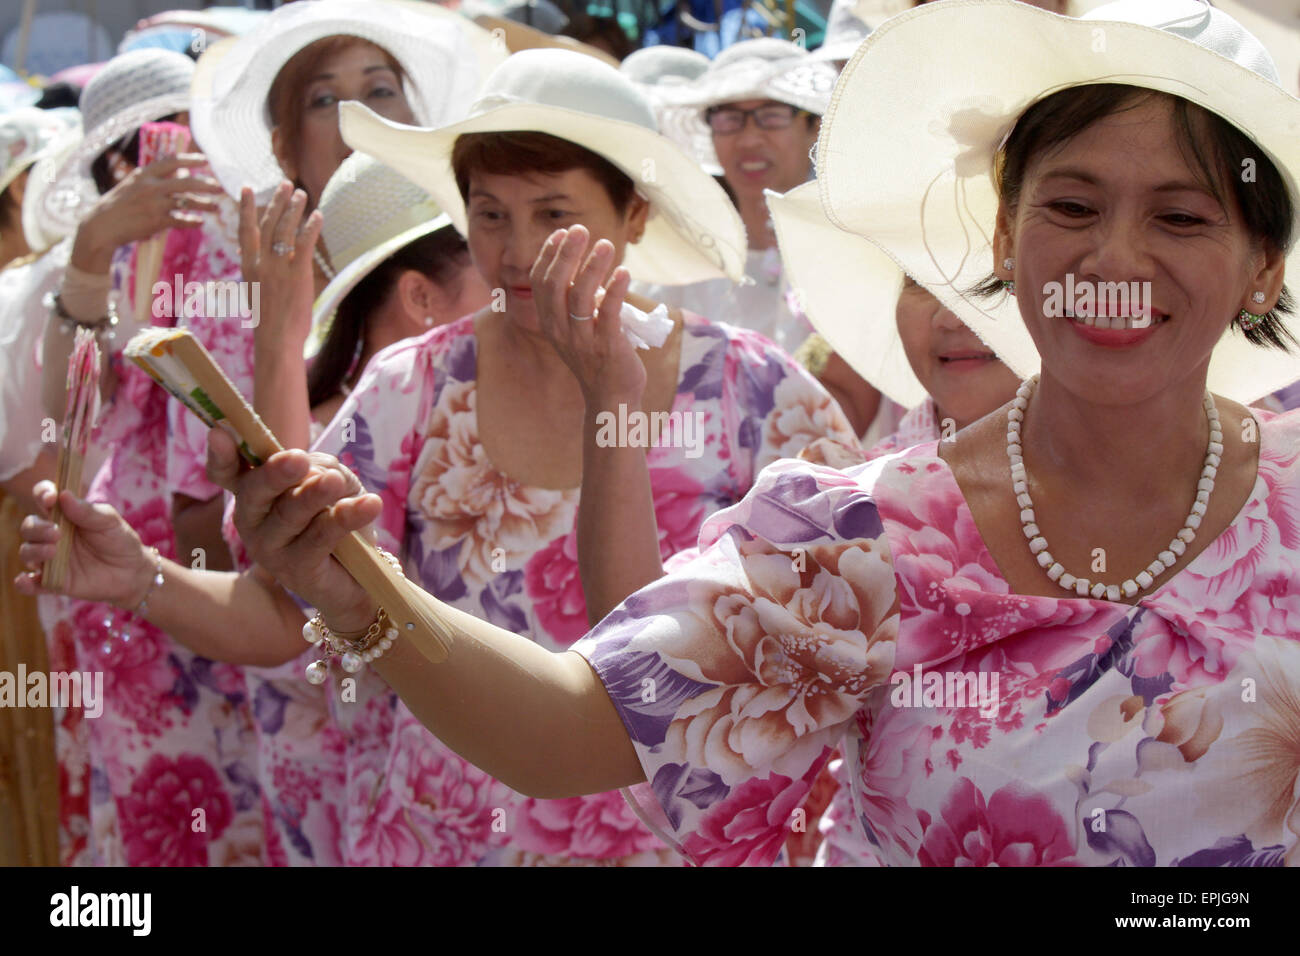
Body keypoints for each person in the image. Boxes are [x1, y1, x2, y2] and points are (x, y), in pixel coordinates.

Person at [20, 48, 860, 866]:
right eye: (490, 213)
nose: (517, 250)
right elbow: (291, 614)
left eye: (555, 215)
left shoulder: (759, 399)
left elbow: (673, 654)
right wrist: (140, 579)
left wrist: (612, 408)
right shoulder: (412, 389)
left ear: (633, 216)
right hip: (438, 838)